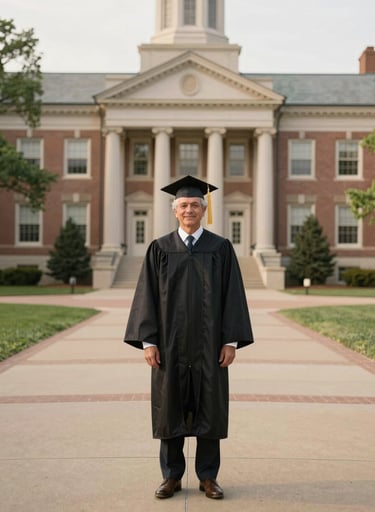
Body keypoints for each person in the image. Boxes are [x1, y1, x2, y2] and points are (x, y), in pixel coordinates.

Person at [124, 175, 254, 500]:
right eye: (183, 205)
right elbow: (147, 298)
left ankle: (208, 477)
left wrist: (231, 341)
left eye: (195, 205)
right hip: (170, 347)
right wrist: (148, 341)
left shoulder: (220, 249)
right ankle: (171, 476)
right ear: (175, 210)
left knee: (210, 409)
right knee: (170, 410)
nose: (189, 210)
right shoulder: (159, 249)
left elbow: (233, 296)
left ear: (204, 209)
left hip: (210, 347)